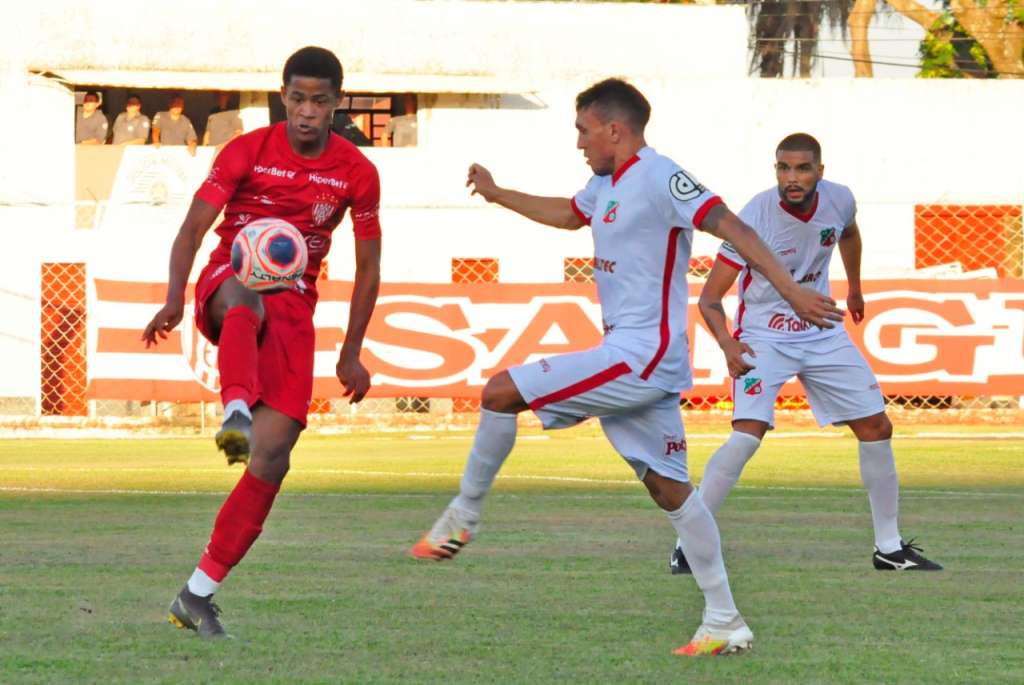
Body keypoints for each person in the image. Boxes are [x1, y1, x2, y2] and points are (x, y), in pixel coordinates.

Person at [409, 79, 844, 657]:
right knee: (672, 491)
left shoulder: (661, 176)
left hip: (643, 356)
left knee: (501, 391)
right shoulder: (603, 183)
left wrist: (789, 292)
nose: (580, 143)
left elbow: (737, 229)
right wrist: (496, 194)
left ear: (614, 129)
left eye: (583, 131)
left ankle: (462, 517)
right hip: (638, 358)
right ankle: (725, 619)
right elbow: (568, 215)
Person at [141, 46, 382, 638]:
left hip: (296, 305)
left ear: (336, 104)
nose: (306, 112)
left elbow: (370, 265)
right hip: (231, 278)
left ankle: (196, 595)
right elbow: (194, 227)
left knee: (272, 459)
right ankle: (235, 410)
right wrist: (175, 298)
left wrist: (352, 350)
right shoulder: (247, 149)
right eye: (297, 99)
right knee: (244, 297)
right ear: (283, 98)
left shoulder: (356, 171)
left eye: (319, 102)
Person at [668, 133, 942, 576]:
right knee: (746, 436)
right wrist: (727, 344)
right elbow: (709, 300)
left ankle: (888, 549)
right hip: (764, 335)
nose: (792, 178)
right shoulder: (755, 216)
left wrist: (853, 286)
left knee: (876, 425)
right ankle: (688, 544)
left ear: (820, 171)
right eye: (784, 168)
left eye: (802, 168)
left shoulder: (840, 200)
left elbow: (849, 234)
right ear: (775, 170)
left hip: (821, 328)